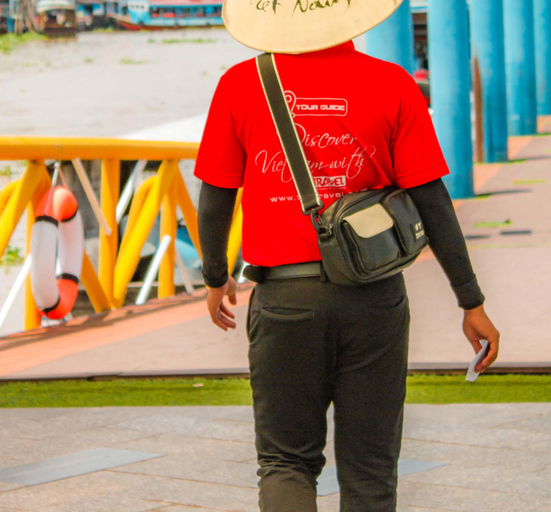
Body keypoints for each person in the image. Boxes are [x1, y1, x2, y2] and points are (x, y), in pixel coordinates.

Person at [195, 1, 501, 510]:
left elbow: (216, 195)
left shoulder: (240, 84)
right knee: (371, 469)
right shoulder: (392, 83)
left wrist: (214, 275)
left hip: (284, 298)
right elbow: (432, 201)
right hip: (374, 298)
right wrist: (471, 301)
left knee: (286, 461)